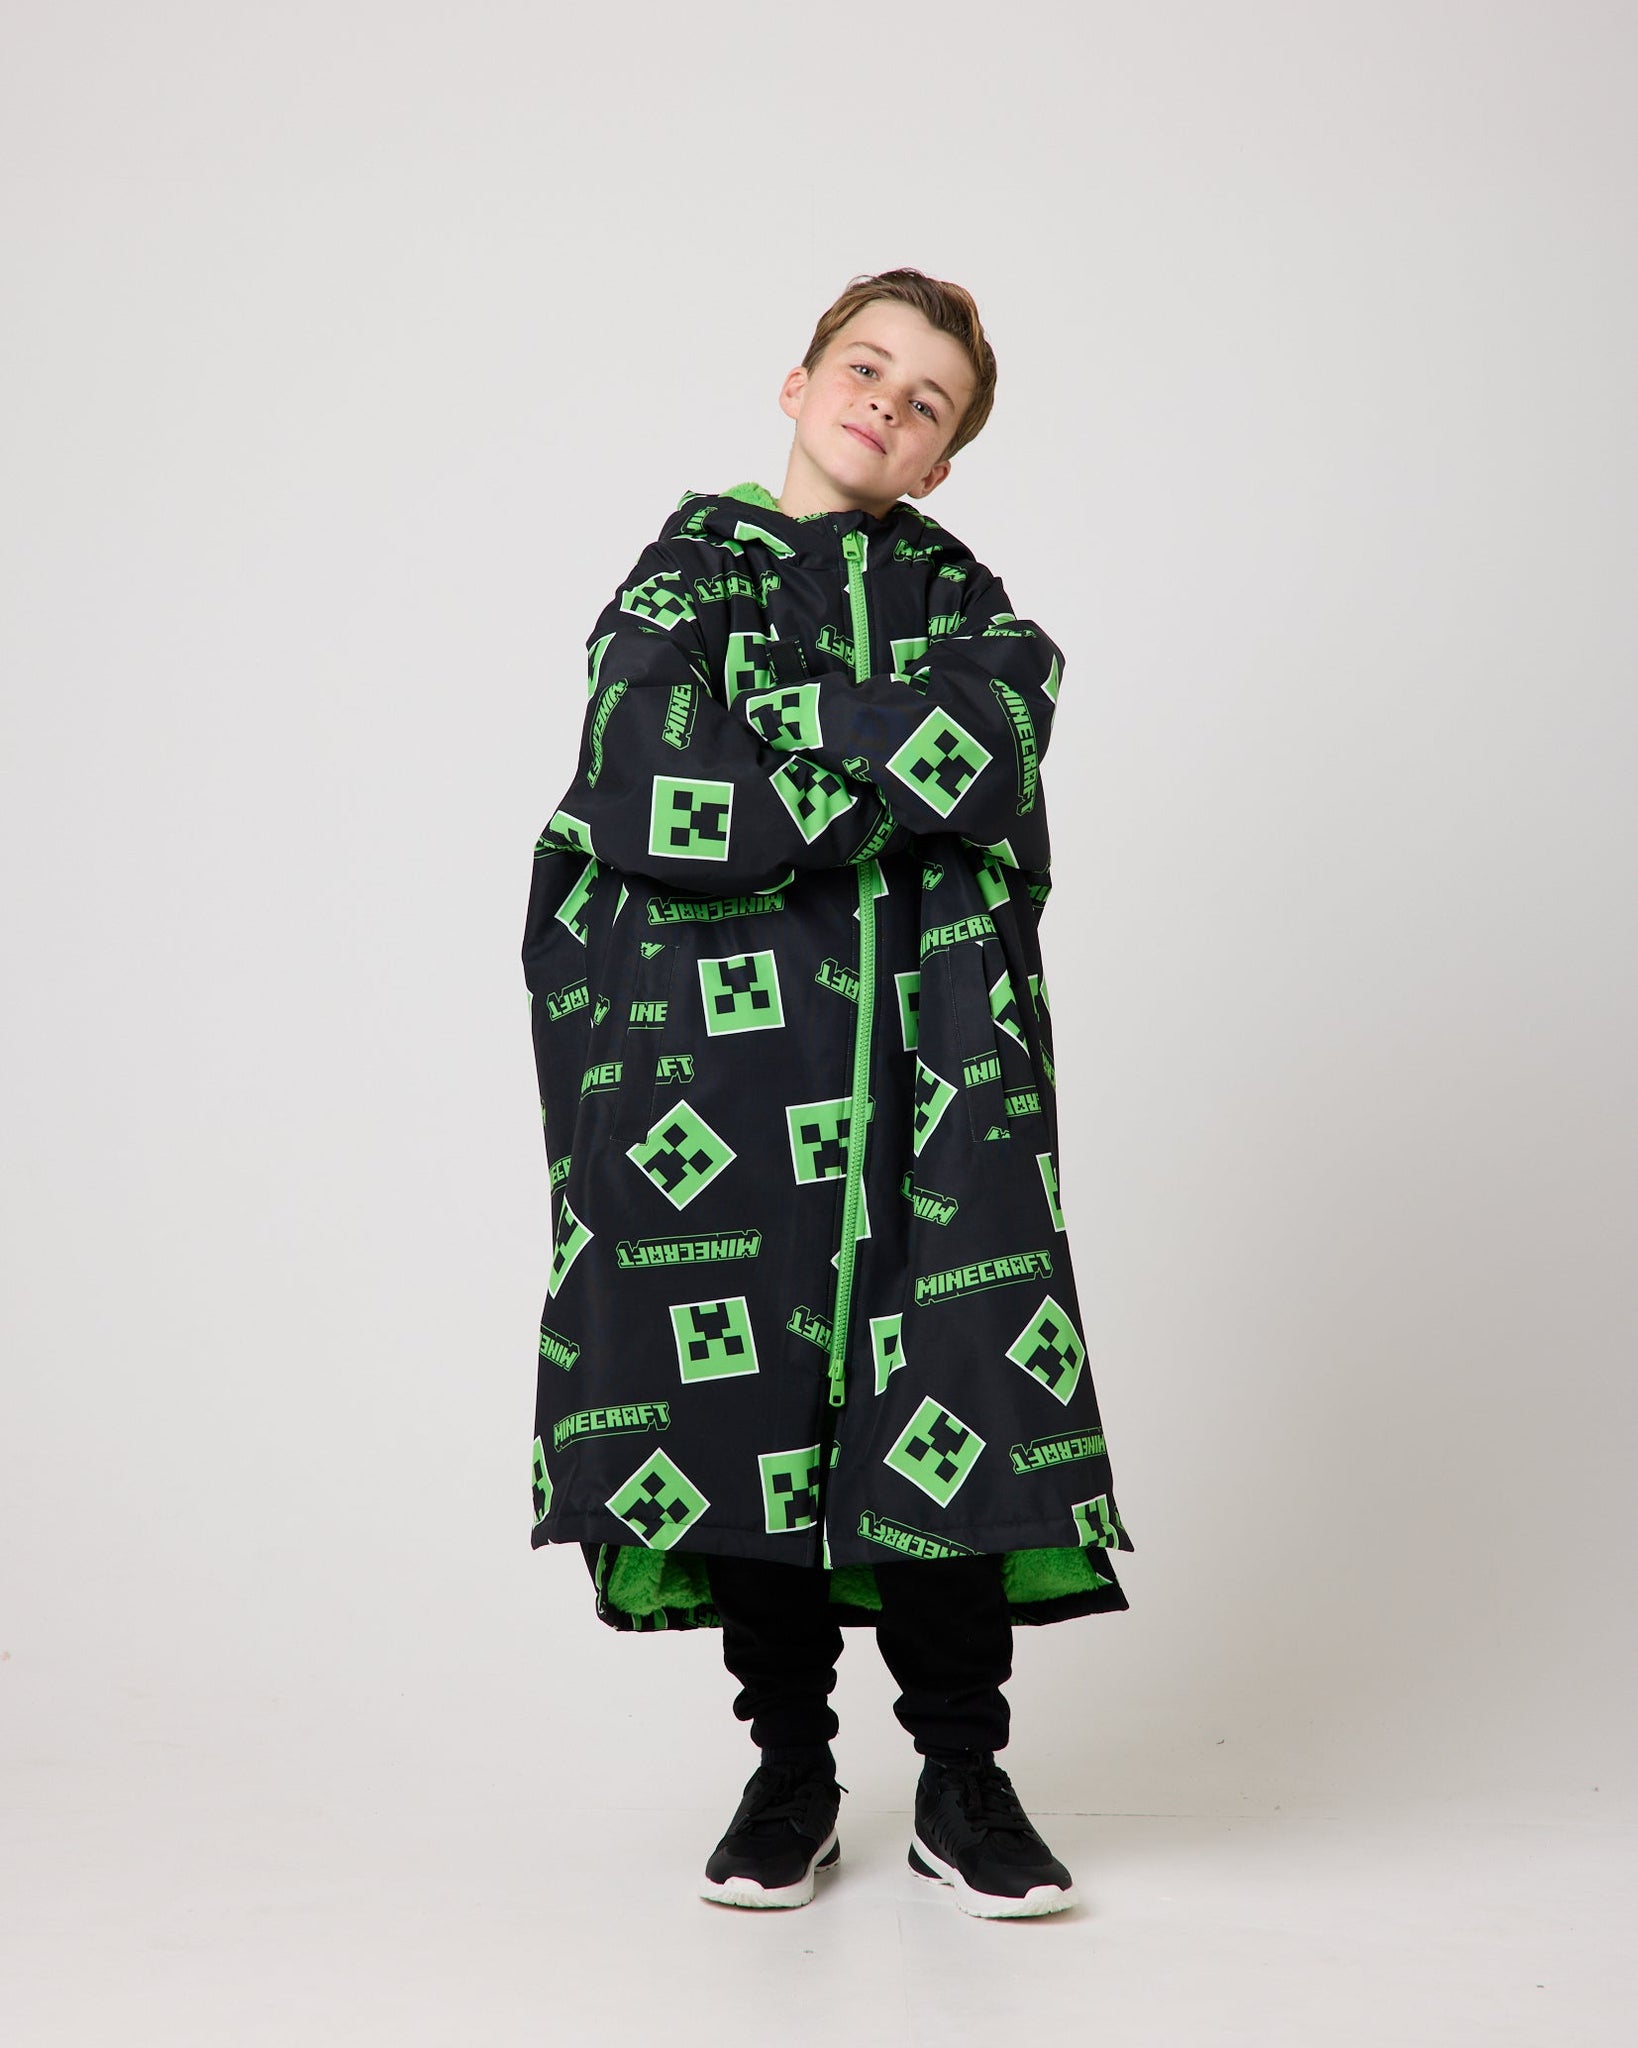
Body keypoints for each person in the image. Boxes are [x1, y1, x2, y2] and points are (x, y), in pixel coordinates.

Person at [520, 268, 1136, 1920]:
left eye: (925, 402)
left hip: (934, 1075)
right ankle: (790, 1772)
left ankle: (962, 1781)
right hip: (720, 1077)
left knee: (955, 1388)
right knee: (737, 1413)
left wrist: (784, 736)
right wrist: (886, 776)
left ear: (941, 460)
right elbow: (652, 784)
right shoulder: (684, 574)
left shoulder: (962, 597)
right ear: (795, 385)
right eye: (864, 368)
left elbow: (996, 735)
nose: (886, 402)